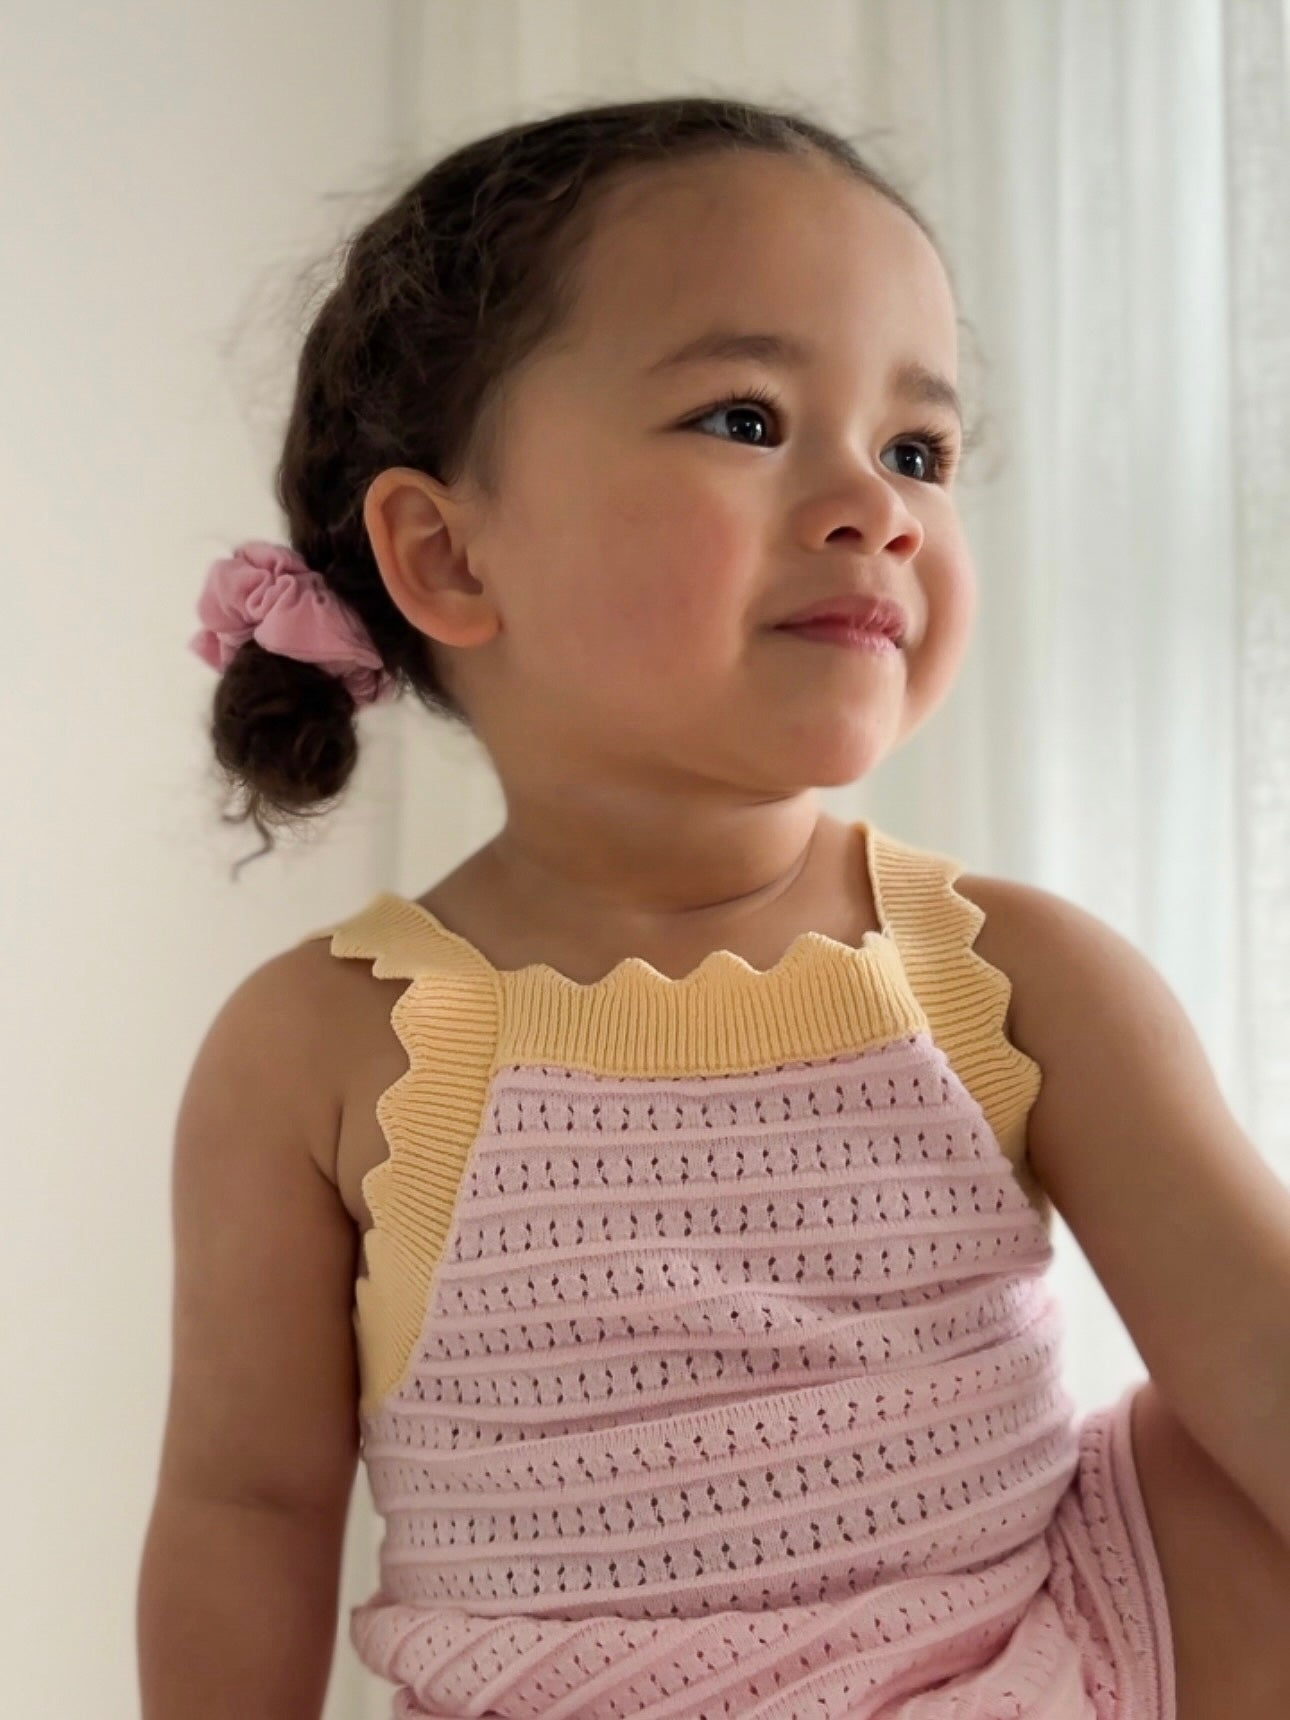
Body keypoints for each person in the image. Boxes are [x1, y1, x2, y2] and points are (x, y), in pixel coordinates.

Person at [138, 95, 1290, 1720]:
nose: (878, 505)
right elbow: (243, 1507)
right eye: (746, 420)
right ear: (449, 558)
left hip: (1046, 1677)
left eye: (917, 451)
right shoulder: (323, 1044)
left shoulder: (1012, 976)